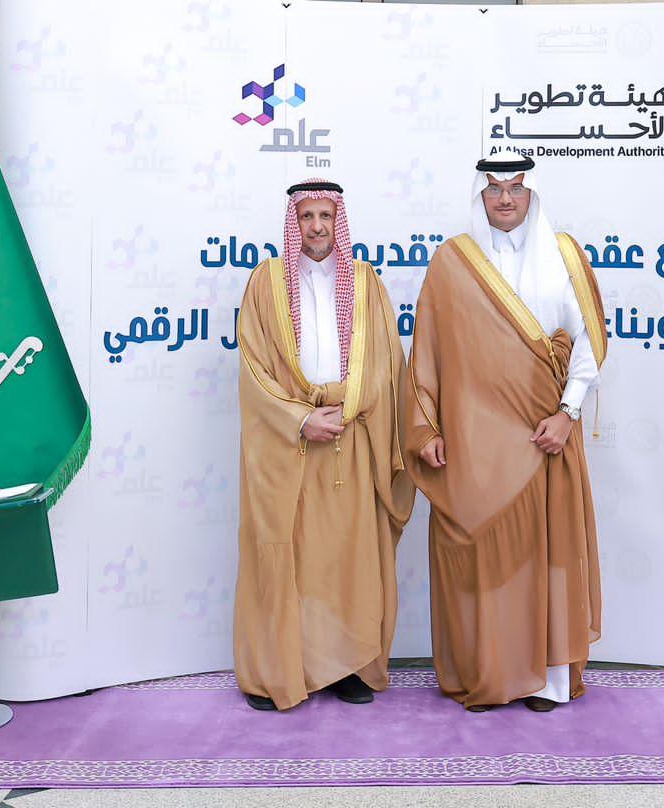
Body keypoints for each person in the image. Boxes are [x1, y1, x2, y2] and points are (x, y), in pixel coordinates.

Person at [404, 154, 607, 712]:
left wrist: (567, 414)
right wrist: (427, 429)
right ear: (480, 195)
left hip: (546, 437)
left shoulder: (563, 255)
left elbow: (589, 343)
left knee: (546, 555)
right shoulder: (452, 262)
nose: (505, 199)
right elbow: (426, 354)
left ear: (531, 193)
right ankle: (491, 673)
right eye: (494, 189)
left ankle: (547, 680)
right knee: (487, 559)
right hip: (474, 446)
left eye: (516, 188)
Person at [231, 179, 414, 711]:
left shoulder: (365, 283)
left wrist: (349, 409)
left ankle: (347, 667)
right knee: (288, 555)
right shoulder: (265, 283)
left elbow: (386, 362)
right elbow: (254, 368)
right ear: (294, 223)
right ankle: (279, 671)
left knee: (346, 557)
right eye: (306, 217)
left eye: (325, 217)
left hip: (352, 439)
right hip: (287, 444)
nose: (316, 227)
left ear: (339, 222)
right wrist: (301, 418)